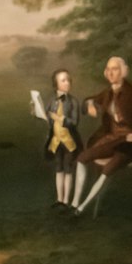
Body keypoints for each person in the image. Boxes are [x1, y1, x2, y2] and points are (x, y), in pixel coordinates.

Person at [72, 56, 132, 214]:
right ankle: (75, 203)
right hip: (112, 139)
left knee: (108, 168)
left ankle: (82, 208)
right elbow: (90, 100)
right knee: (82, 158)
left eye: (115, 69)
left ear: (124, 72)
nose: (110, 73)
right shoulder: (108, 93)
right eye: (108, 69)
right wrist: (89, 104)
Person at [40, 69, 83, 208]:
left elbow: (75, 122)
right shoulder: (52, 101)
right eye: (63, 80)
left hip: (69, 141)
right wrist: (37, 111)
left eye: (68, 80)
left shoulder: (73, 102)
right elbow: (45, 115)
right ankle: (59, 200)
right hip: (56, 141)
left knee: (68, 169)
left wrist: (61, 118)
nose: (67, 83)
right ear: (55, 84)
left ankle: (66, 201)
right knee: (59, 169)